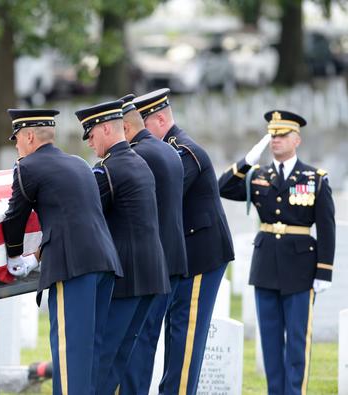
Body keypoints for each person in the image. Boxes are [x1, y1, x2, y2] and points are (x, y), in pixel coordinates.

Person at [2, 108, 122, 395]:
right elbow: (71, 219)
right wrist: (37, 257)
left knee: (71, 354)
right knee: (91, 350)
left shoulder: (28, 167)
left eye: (17, 139)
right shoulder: (79, 162)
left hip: (73, 267)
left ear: (29, 136)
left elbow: (14, 218)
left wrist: (15, 255)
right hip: (104, 261)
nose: (16, 146)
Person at [219, 110, 335, 395]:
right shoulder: (258, 175)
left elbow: (327, 228)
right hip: (266, 268)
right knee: (270, 342)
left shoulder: (314, 178)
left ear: (297, 140)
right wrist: (247, 161)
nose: (275, 141)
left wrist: (324, 272)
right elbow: (221, 187)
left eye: (282, 135)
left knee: (296, 342)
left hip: (300, 268)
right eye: (272, 136)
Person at [133, 88, 234, 394]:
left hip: (202, 254)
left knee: (185, 333)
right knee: (171, 328)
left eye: (142, 126)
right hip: (181, 256)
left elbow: (159, 197)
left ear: (160, 119)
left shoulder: (183, 152)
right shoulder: (161, 150)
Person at [76, 99, 170, 394]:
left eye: (91, 134)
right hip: (152, 272)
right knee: (121, 357)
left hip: (126, 277)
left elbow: (86, 217)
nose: (90, 142)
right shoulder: (137, 161)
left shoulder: (109, 169)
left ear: (106, 129)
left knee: (103, 357)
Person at [118, 94, 188, 394]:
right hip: (169, 258)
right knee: (145, 339)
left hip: (149, 263)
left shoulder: (139, 155)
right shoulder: (167, 150)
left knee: (137, 341)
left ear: (124, 127)